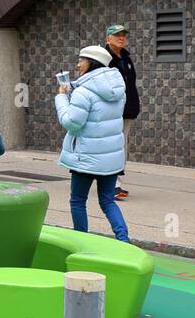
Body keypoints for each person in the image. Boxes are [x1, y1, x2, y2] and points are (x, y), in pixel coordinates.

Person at [55, 45, 129, 242]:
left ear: (92, 63)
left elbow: (71, 121)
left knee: (78, 201)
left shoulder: (84, 92)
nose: (78, 65)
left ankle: (82, 241)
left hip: (86, 156)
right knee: (107, 201)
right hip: (111, 158)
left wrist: (62, 97)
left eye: (81, 60)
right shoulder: (118, 89)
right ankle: (123, 240)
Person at [104, 24, 140, 200]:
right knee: (113, 146)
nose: (121, 38)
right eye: (117, 35)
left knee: (121, 145)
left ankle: (115, 181)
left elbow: (130, 85)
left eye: (124, 35)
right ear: (107, 39)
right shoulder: (103, 58)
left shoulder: (126, 57)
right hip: (110, 110)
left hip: (127, 110)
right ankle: (111, 184)